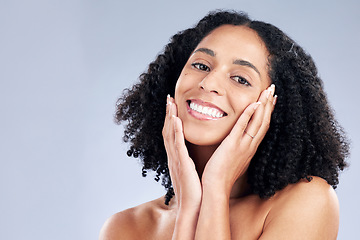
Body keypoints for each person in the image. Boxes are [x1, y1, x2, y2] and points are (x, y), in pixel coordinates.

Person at [99, 10, 349, 239]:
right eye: (200, 65)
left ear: (273, 107)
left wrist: (216, 187)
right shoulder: (125, 228)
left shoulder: (307, 202)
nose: (209, 83)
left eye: (240, 79)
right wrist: (189, 209)